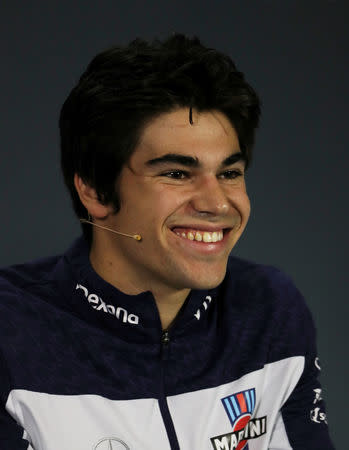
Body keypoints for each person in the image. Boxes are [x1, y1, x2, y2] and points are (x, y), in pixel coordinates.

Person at [0, 33, 334, 450]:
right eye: (177, 173)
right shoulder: (10, 332)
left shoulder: (269, 309)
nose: (216, 203)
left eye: (230, 173)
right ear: (95, 192)